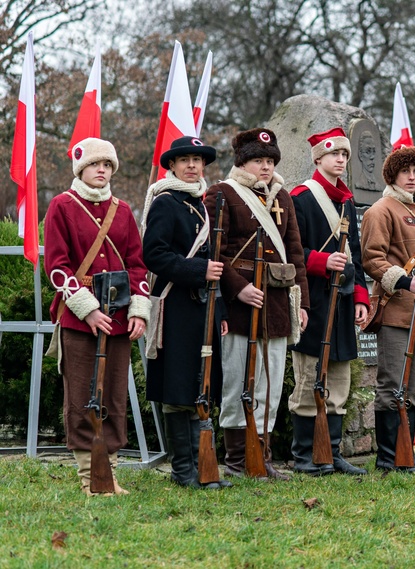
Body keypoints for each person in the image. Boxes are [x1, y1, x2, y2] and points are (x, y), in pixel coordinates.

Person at [44, 138, 150, 495]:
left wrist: (138, 311)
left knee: (114, 396)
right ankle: (90, 477)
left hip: (119, 319)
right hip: (79, 319)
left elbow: (137, 264)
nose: (102, 169)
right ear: (80, 169)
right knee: (82, 396)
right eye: (94, 164)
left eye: (107, 164)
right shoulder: (62, 205)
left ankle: (111, 472)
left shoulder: (122, 210)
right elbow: (57, 266)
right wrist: (87, 309)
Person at [205, 128, 309, 480]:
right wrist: (238, 289)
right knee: (238, 381)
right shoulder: (221, 194)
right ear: (242, 163)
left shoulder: (284, 198)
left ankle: (260, 457)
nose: (264, 167)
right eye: (257, 161)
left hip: (278, 301)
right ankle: (237, 460)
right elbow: (214, 252)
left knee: (272, 382)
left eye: (269, 161)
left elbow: (295, 254)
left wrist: (302, 303)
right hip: (239, 306)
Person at [141, 136, 232, 489]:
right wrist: (197, 271)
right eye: (185, 160)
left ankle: (202, 467)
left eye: (197, 160)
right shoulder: (165, 202)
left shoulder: (202, 204)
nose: (192, 165)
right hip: (176, 306)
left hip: (204, 307)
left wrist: (220, 310)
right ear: (172, 166)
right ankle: (183, 471)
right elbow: (155, 255)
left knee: (201, 386)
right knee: (179, 389)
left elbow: (215, 264)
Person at [361, 146, 415, 471]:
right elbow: (372, 258)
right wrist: (404, 281)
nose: (412, 177)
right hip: (396, 311)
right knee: (391, 386)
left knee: (412, 389)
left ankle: (406, 454)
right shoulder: (380, 210)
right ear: (393, 175)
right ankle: (388, 458)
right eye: (405, 171)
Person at [288, 127, 370, 476]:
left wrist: (362, 299)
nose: (340, 159)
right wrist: (322, 262)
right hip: (314, 301)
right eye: (334, 154)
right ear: (318, 158)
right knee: (309, 378)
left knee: (338, 381)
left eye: (344, 155)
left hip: (344, 301)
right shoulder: (301, 198)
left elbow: (358, 257)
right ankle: (305, 456)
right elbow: (291, 253)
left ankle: (331, 453)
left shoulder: (347, 201)